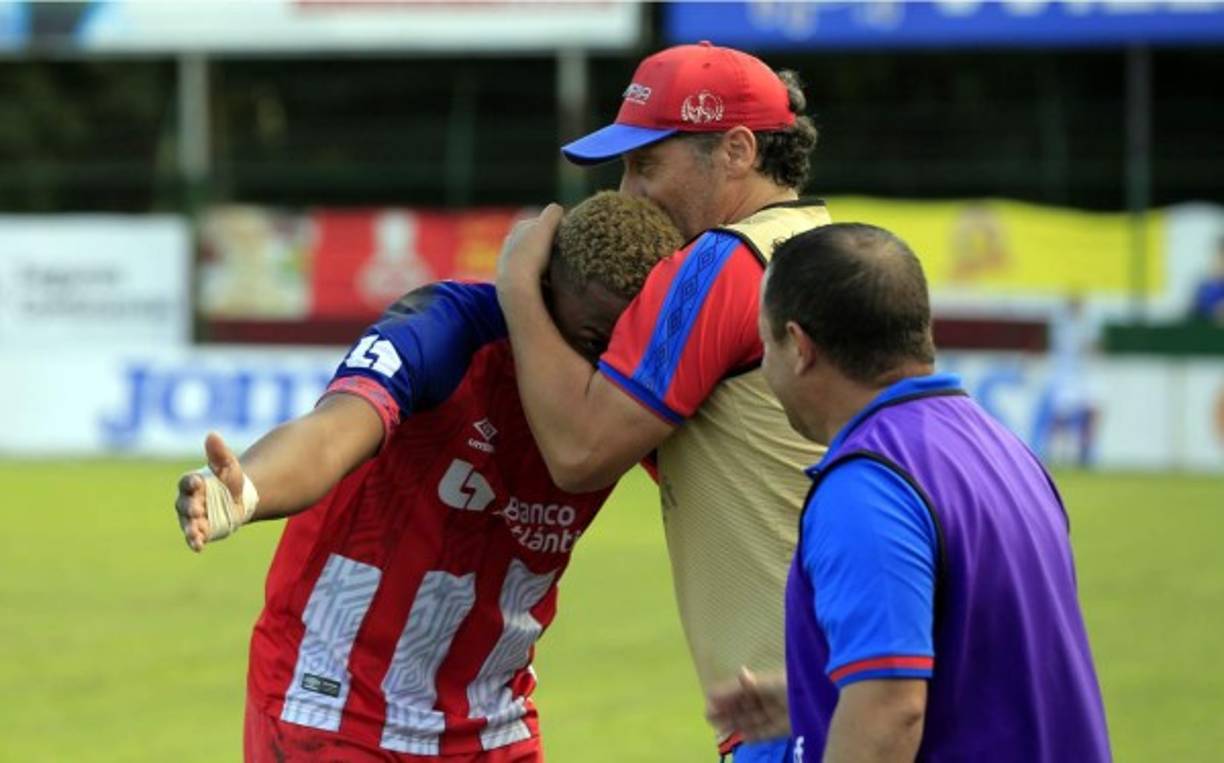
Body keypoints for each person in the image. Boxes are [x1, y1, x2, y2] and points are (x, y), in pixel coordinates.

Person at [173, 192, 682, 763]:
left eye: (627, 346)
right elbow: (338, 427)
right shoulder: (449, 328)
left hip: (491, 719)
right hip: (334, 707)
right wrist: (251, 491)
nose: (610, 370)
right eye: (593, 343)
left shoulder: (643, 373)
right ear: (538, 295)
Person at [495, 41, 827, 761]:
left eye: (647, 164)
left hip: (791, 715)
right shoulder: (822, 242)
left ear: (736, 150)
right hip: (847, 690)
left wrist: (519, 284)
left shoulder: (718, 262)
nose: (627, 192)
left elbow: (578, 452)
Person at [746, 222, 1111, 761]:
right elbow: (986, 663)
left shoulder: (866, 486)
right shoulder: (1003, 449)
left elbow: (890, 712)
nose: (762, 363)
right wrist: (812, 695)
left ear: (799, 347)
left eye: (765, 342)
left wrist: (865, 700)